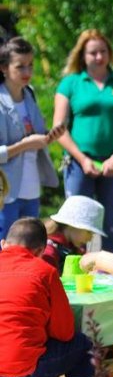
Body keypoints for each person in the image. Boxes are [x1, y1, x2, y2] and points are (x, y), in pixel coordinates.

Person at [53, 29, 113, 253]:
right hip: (78, 163)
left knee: (110, 225)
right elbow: (59, 129)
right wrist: (82, 159)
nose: (99, 57)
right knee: (76, 224)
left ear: (110, 53)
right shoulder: (70, 83)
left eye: (103, 51)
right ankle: (73, 267)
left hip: (112, 164)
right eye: (93, 53)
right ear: (83, 56)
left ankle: (110, 269)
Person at [0, 217, 93, 377]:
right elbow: (64, 332)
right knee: (82, 343)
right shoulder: (45, 272)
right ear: (40, 251)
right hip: (25, 370)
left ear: (3, 244)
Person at [0, 37, 63, 239]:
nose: (27, 72)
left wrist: (50, 136)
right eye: (20, 66)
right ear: (4, 68)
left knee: (29, 247)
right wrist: (24, 145)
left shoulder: (30, 94)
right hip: (6, 192)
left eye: (30, 65)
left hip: (31, 188)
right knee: (6, 247)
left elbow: (36, 136)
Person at [41, 195, 106, 274]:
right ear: (72, 225)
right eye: (89, 232)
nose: (90, 238)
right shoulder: (48, 251)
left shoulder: (71, 247)